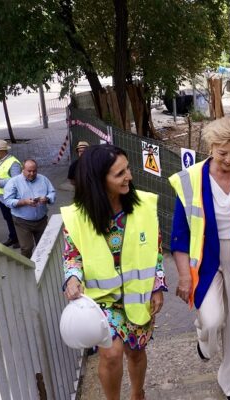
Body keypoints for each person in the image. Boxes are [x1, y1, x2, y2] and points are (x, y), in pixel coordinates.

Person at [169, 116, 230, 400]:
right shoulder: (189, 180)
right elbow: (179, 235)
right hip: (206, 259)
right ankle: (205, 343)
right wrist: (185, 277)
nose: (229, 159)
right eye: (223, 153)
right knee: (212, 320)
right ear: (210, 147)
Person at [62, 144, 165, 400]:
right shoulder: (77, 217)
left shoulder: (144, 207)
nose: (129, 176)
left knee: (136, 352)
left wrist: (157, 286)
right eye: (119, 174)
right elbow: (72, 256)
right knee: (110, 353)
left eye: (127, 169)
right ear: (99, 180)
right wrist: (72, 278)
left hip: (138, 297)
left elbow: (156, 249)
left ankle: (137, 393)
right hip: (102, 301)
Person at [3, 159, 57, 258]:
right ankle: (27, 269)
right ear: (23, 170)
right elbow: (7, 201)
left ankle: (42, 268)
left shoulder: (43, 179)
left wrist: (47, 198)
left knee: (44, 246)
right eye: (29, 171)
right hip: (22, 222)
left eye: (34, 171)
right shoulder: (14, 182)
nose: (32, 173)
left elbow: (52, 192)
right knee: (27, 247)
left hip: (41, 220)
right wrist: (24, 202)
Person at [0, 139, 21, 248]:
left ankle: (20, 239)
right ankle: (13, 237)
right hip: (1, 196)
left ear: (0, 151)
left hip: (10, 197)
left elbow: (17, 180)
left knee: (14, 219)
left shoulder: (13, 163)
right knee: (8, 218)